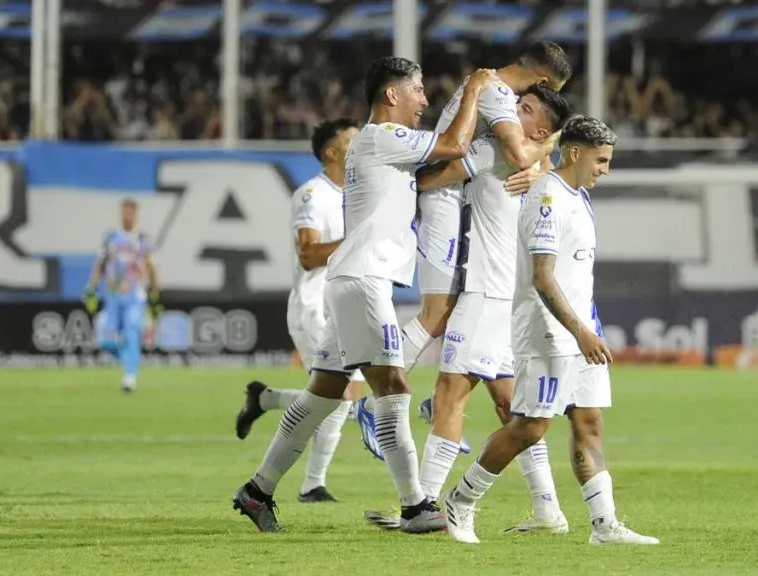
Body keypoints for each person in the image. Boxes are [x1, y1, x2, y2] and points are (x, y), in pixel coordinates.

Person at [231, 56, 495, 533]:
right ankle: (415, 506)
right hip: (363, 280)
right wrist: (474, 89)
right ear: (392, 94)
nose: (424, 100)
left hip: (356, 279)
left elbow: (441, 163)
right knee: (391, 387)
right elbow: (454, 145)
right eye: (417, 90)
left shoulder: (383, 145)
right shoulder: (383, 136)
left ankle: (257, 490)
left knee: (322, 395)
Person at [443, 115, 659, 546]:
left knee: (589, 421)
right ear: (575, 153)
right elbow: (542, 277)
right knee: (529, 427)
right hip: (549, 332)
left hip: (581, 332)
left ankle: (604, 525)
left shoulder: (578, 196)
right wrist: (579, 331)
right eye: (601, 160)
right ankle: (460, 500)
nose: (606, 169)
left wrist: (588, 327)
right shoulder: (547, 198)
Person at [356, 42, 576, 455]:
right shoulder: (494, 92)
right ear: (545, 80)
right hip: (444, 202)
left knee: (461, 312)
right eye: (550, 91)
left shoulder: (496, 93)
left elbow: (528, 158)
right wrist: (550, 146)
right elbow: (518, 152)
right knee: (438, 312)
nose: (542, 100)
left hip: (459, 203)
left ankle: (441, 402)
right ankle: (374, 401)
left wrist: (539, 167)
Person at [234, 118, 365, 503]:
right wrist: (359, 241)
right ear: (332, 152)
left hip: (346, 305)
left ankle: (266, 399)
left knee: (344, 396)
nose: (360, 147)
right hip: (314, 306)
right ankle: (312, 485)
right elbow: (308, 255)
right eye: (352, 142)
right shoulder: (312, 194)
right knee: (339, 394)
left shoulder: (357, 193)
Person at [84, 199, 161, 393]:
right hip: (113, 295)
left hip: (135, 295)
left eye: (131, 213)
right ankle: (130, 361)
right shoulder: (111, 238)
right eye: (125, 212)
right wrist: (91, 289)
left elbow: (151, 265)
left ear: (136, 215)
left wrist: (155, 291)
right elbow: (100, 265)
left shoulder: (142, 239)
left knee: (132, 332)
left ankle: (130, 376)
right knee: (106, 340)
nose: (127, 216)